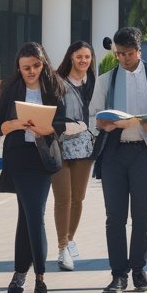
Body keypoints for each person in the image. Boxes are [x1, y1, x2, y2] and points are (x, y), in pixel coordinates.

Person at [89, 27, 147, 293]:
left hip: (145, 153)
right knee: (114, 217)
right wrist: (101, 124)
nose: (123, 59)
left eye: (128, 53)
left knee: (142, 215)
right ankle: (118, 275)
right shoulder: (106, 80)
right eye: (119, 54)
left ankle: (138, 269)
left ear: (139, 51)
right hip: (114, 153)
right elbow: (93, 115)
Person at [0, 42, 67, 293]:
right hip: (19, 158)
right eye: (26, 68)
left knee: (33, 216)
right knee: (28, 216)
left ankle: (36, 277)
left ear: (42, 64)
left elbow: (62, 123)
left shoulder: (55, 87)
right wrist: (12, 124)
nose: (31, 71)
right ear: (18, 68)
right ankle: (25, 274)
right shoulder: (11, 87)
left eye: (35, 66)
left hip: (42, 158)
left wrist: (48, 129)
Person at [52, 40, 97, 271]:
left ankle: (69, 240)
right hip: (59, 145)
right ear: (71, 56)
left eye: (87, 57)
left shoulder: (94, 84)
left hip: (84, 148)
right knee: (63, 198)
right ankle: (62, 249)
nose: (83, 61)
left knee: (77, 198)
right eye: (79, 56)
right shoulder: (57, 83)